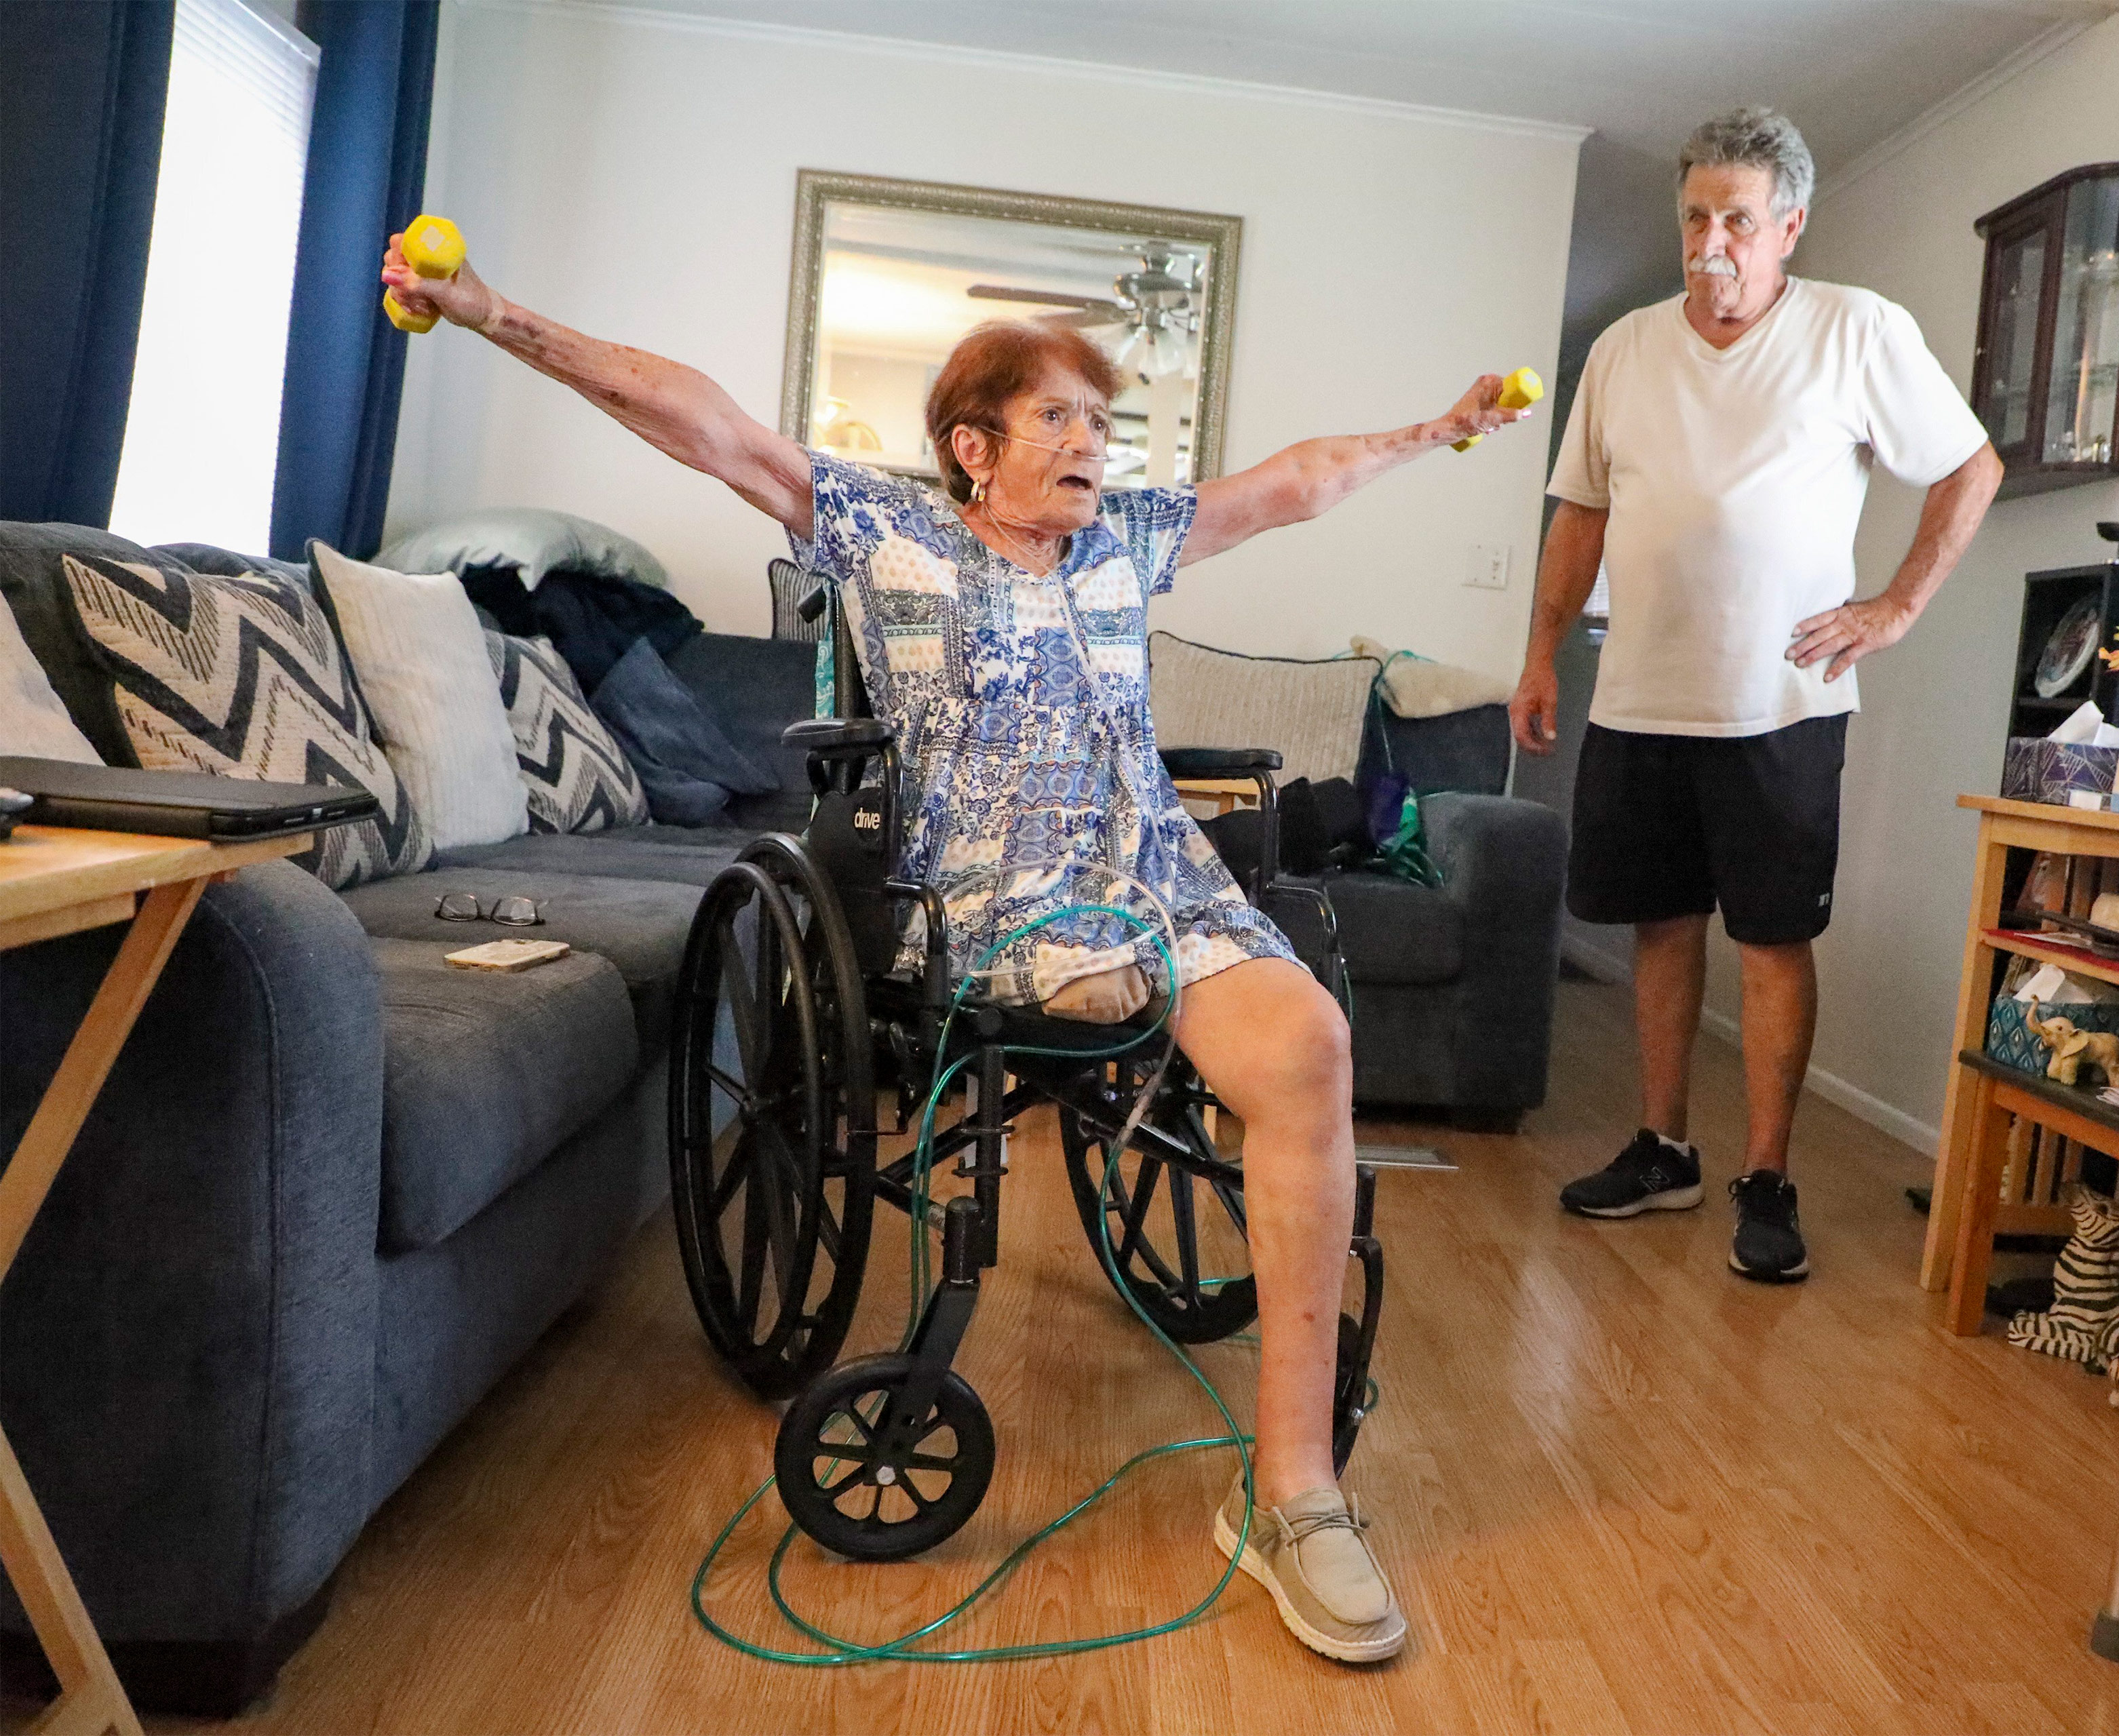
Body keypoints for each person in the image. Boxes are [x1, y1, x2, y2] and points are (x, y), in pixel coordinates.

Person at [382, 243, 1532, 1664]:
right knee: (1123, 987)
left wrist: (1440, 429)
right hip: (992, 895)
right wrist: (494, 314)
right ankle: (1108, 999)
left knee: (1310, 1043)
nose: (1092, 445)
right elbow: (706, 423)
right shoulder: (886, 528)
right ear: (973, 447)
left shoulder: (1127, 540)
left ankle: (1294, 1496)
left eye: (1102, 423)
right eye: (1059, 419)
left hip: (1161, 881)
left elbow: (1296, 482)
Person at [1508, 108, 2000, 1281]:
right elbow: (1581, 513)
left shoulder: (1855, 328)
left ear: (1789, 225)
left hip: (1782, 703)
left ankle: (1768, 1177)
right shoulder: (1624, 349)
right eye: (1695, 217)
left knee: (1775, 939)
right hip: (1640, 696)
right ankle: (1663, 1148)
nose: (1711, 241)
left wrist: (1895, 607)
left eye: (1736, 218)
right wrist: (1539, 652)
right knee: (1659, 924)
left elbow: (1970, 466)